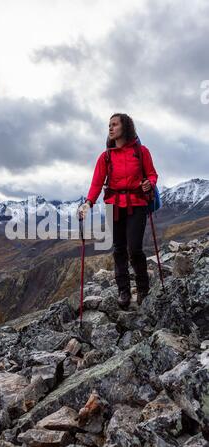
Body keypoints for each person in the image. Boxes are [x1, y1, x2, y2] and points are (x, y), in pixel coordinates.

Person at [78, 113, 158, 309]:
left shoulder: (141, 152)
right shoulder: (105, 156)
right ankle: (123, 291)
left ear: (126, 127)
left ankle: (142, 288)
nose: (111, 128)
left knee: (135, 248)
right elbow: (97, 183)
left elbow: (152, 174)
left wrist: (150, 183)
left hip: (137, 203)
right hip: (113, 205)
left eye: (115, 125)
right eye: (109, 125)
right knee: (119, 248)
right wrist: (88, 202)